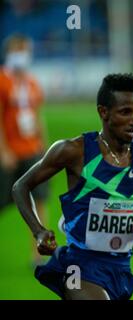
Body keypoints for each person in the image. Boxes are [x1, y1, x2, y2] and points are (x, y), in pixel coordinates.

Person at [12, 73, 133, 300]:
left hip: (121, 268)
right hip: (77, 266)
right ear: (103, 112)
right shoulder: (74, 151)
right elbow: (20, 187)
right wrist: (39, 231)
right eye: (125, 112)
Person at [0, 34, 49, 266]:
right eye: (20, 50)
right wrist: (3, 149)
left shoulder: (31, 82)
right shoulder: (2, 80)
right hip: (11, 150)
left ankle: (38, 253)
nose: (24, 55)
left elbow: (37, 116)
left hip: (32, 150)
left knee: (39, 199)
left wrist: (45, 146)